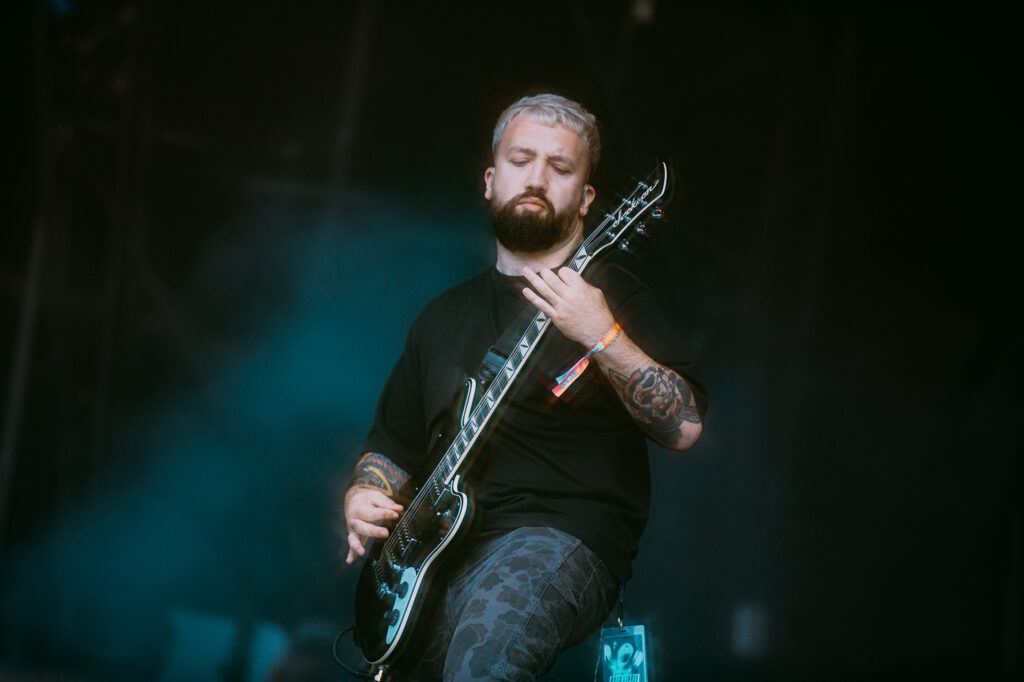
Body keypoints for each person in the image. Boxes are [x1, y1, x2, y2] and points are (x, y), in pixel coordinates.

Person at [342, 93, 708, 680]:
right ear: (491, 181)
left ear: (586, 199)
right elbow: (391, 447)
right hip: (436, 558)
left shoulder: (613, 296)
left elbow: (684, 426)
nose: (537, 178)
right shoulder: (441, 318)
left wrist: (602, 334)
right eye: (521, 160)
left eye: (560, 167)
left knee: (484, 666)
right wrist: (363, 495)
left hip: (555, 534)